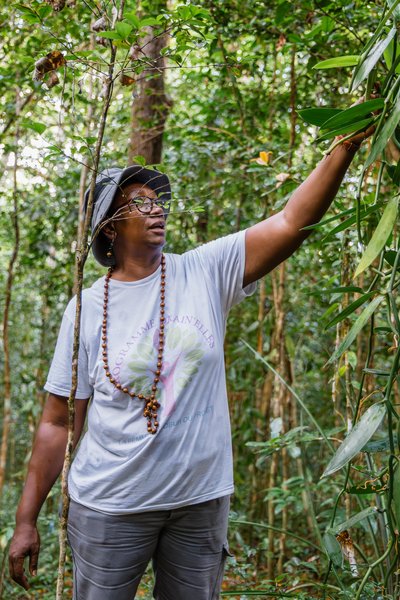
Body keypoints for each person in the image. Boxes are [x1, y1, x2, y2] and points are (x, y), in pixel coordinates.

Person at [9, 129, 370, 599]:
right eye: (140, 203)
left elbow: (291, 222)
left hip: (199, 503)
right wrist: (26, 520)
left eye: (158, 201)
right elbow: (58, 422)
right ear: (110, 227)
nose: (156, 209)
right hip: (110, 505)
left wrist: (344, 146)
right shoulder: (86, 310)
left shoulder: (204, 270)